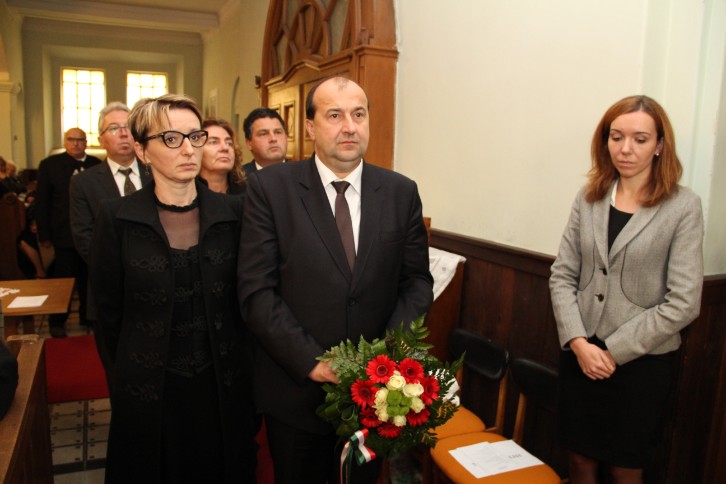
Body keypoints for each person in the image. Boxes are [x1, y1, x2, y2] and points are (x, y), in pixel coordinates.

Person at [238, 76, 433, 483]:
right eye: (334, 115)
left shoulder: (400, 192)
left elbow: (416, 282)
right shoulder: (270, 188)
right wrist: (312, 361)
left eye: (358, 114)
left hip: (375, 397)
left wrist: (386, 360)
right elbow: (257, 291)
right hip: (296, 393)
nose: (349, 126)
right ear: (310, 127)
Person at [89, 94, 255, 483]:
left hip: (221, 387)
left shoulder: (235, 213)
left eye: (195, 137)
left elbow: (247, 306)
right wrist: (124, 385)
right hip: (149, 391)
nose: (188, 149)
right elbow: (107, 314)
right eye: (170, 138)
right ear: (142, 151)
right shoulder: (117, 218)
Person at [550, 95, 704, 484]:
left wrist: (613, 352)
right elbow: (562, 275)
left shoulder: (683, 206)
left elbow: (684, 302)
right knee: (579, 460)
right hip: (581, 354)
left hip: (642, 363)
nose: (625, 149)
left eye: (640, 139)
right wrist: (579, 343)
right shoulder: (589, 197)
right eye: (616, 137)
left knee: (624, 468)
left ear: (659, 145)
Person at [35, 128, 102, 337]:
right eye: (71, 139)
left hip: (92, 234)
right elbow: (42, 201)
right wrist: (44, 234)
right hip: (63, 233)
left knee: (89, 279)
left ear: (86, 142)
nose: (75, 143)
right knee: (63, 280)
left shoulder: (96, 164)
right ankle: (57, 320)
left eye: (80, 140)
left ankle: (87, 317)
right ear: (65, 141)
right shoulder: (50, 165)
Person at [70, 102, 153, 264]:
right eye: (114, 128)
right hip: (109, 269)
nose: (123, 134)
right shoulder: (83, 183)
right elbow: (84, 236)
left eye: (128, 127)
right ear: (101, 140)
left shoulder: (156, 173)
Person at [198, 118, 245, 194]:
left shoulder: (249, 192)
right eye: (213, 142)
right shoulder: (187, 194)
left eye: (229, 143)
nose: (225, 148)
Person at [241, 107, 288, 176]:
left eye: (278, 132)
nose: (273, 139)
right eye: (263, 134)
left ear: (286, 137)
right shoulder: (237, 178)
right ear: (249, 143)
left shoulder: (302, 173)